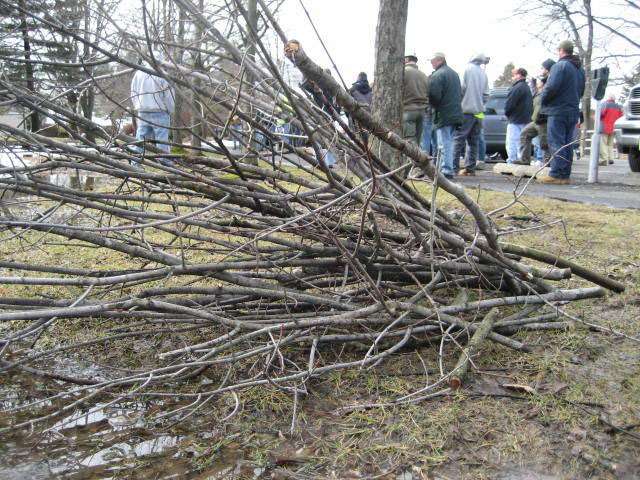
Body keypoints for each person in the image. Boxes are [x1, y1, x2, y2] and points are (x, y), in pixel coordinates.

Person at [537, 40, 586, 184]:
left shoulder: (560, 66)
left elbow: (551, 88)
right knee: (567, 143)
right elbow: (581, 90)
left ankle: (556, 174)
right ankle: (565, 174)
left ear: (561, 51)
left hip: (558, 110)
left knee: (556, 141)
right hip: (573, 110)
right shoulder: (580, 69)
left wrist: (543, 100)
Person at [130, 53, 175, 166]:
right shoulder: (162, 74)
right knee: (162, 140)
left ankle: (135, 164)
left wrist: (137, 106)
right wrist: (170, 109)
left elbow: (133, 93)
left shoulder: (138, 74)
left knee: (140, 140)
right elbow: (169, 96)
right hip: (160, 111)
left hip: (143, 111)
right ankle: (166, 164)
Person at [452, 52, 490, 176]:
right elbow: (486, 94)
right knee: (474, 141)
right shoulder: (483, 73)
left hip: (466, 110)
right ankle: (470, 168)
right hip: (479, 112)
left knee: (458, 139)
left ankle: (454, 167)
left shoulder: (467, 70)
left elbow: (461, 89)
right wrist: (481, 104)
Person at [428, 52, 463, 179]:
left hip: (443, 114)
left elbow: (435, 96)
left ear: (440, 60)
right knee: (447, 142)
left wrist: (430, 103)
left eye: (433, 61)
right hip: (454, 113)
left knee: (443, 143)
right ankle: (444, 167)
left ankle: (446, 170)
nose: (431, 63)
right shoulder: (454, 74)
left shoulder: (438, 75)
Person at [504, 67, 533, 164]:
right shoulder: (526, 87)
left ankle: (512, 160)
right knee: (522, 141)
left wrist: (507, 113)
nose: (514, 76)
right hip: (525, 119)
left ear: (520, 75)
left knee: (512, 141)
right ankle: (521, 159)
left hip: (515, 119)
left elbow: (510, 103)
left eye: (516, 74)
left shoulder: (517, 87)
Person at [519, 76, 549, 167]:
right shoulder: (537, 94)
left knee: (545, 144)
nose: (537, 83)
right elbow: (533, 89)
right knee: (524, 135)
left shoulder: (546, 92)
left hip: (544, 121)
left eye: (539, 82)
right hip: (536, 121)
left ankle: (548, 163)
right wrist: (533, 80)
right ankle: (525, 160)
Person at [403, 55, 430, 147]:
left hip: (408, 109)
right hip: (422, 111)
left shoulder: (404, 72)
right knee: (417, 141)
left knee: (409, 141)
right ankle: (416, 160)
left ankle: (409, 161)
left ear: (406, 60)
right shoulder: (424, 75)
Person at [598, 94, 623, 165]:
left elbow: (600, 115)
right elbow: (621, 117)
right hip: (614, 128)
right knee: (610, 144)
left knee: (603, 144)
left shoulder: (604, 104)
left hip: (604, 127)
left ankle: (604, 159)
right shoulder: (618, 107)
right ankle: (611, 158)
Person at [348, 72, 373, 139]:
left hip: (357, 118)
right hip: (369, 117)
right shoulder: (371, 90)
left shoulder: (353, 89)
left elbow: (348, 105)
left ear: (359, 78)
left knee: (358, 139)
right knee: (369, 139)